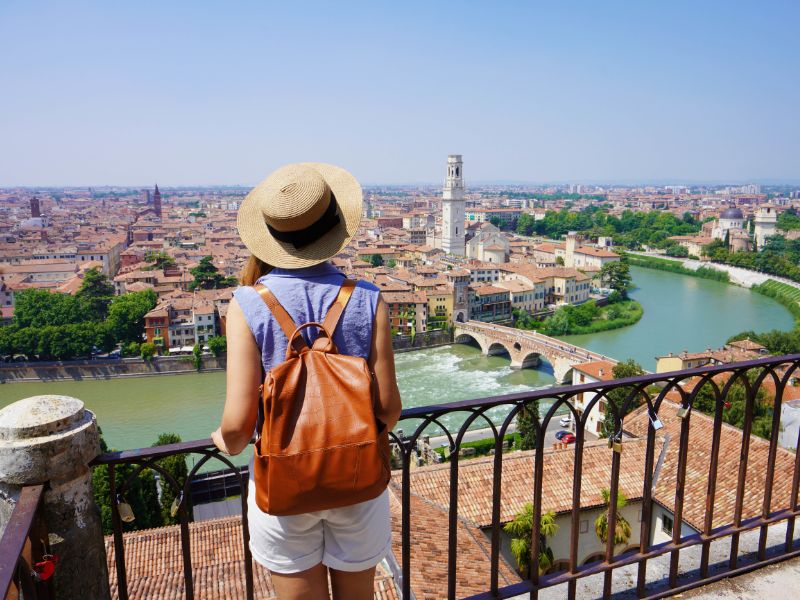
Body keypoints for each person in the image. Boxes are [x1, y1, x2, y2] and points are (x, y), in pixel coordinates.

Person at [211, 163, 402, 600]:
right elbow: (389, 410)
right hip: (358, 479)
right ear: (335, 227)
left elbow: (238, 430)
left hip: (285, 482)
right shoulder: (369, 298)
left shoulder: (245, 304)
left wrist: (219, 440)